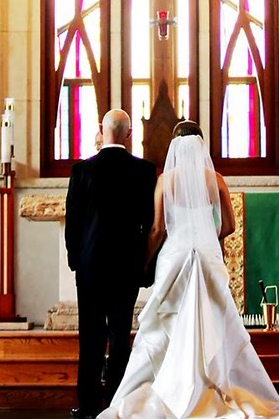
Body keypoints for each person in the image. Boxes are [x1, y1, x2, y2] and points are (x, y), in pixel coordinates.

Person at [98, 121, 279, 419]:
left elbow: (157, 228)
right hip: (207, 257)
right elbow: (230, 225)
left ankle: (165, 389)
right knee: (214, 323)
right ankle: (212, 386)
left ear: (174, 147)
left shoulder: (165, 180)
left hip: (175, 259)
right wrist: (211, 236)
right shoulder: (215, 179)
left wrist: (143, 261)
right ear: (201, 145)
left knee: (164, 327)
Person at [66, 108, 159, 419]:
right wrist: (145, 266)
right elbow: (149, 222)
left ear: (100, 130)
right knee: (120, 334)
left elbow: (74, 222)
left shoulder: (82, 171)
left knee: (90, 336)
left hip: (90, 266)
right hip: (127, 266)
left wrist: (75, 260)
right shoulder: (145, 171)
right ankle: (117, 402)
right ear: (129, 134)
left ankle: (89, 406)